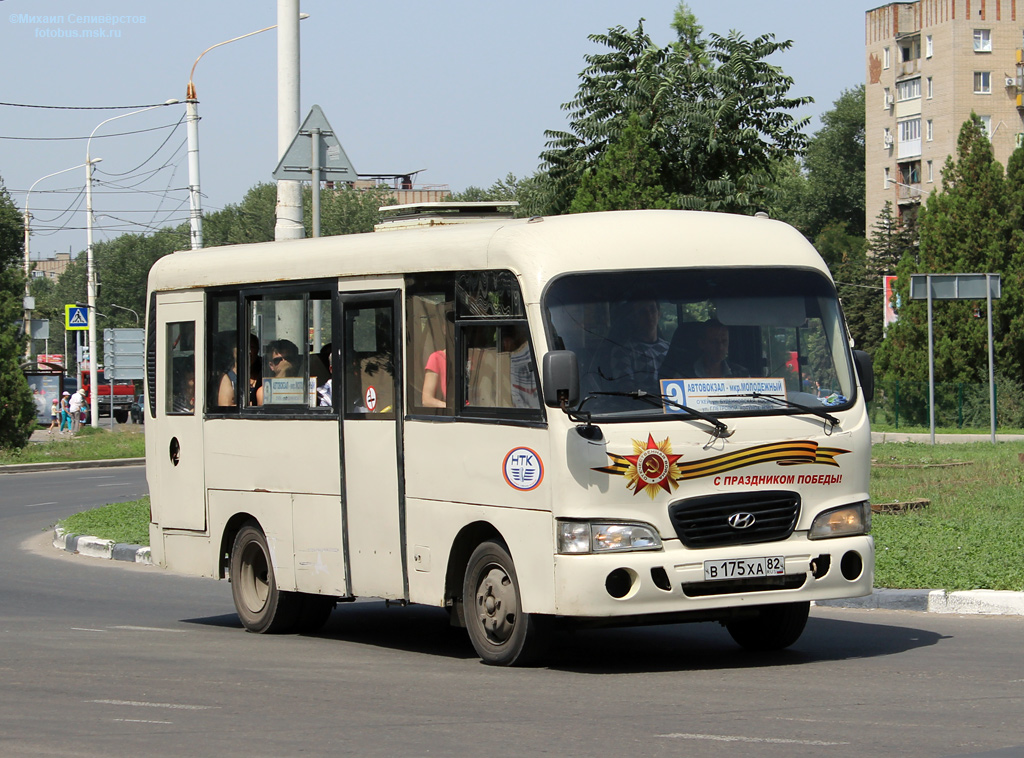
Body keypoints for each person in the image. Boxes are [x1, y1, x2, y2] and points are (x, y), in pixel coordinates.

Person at [603, 299, 669, 394]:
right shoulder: (622, 351)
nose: (649, 316)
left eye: (652, 310)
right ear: (634, 317)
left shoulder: (669, 348)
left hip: (675, 406)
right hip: (644, 407)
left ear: (659, 314)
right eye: (643, 312)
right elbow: (626, 388)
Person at [256, 338, 300, 405]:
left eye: (288, 358)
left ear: (296, 361)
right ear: (271, 366)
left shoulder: (305, 389)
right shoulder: (264, 392)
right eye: (277, 360)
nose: (284, 362)